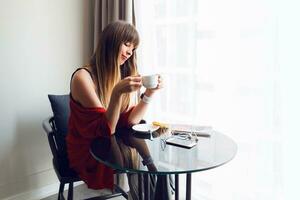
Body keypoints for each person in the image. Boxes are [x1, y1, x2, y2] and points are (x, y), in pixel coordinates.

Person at [66, 20, 163, 199]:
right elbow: (106, 129)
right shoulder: (82, 77)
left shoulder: (120, 73)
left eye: (133, 48)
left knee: (135, 131)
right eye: (126, 44)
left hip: (109, 139)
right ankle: (148, 185)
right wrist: (117, 93)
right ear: (110, 42)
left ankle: (150, 175)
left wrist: (149, 93)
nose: (129, 53)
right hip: (88, 148)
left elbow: (129, 120)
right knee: (127, 152)